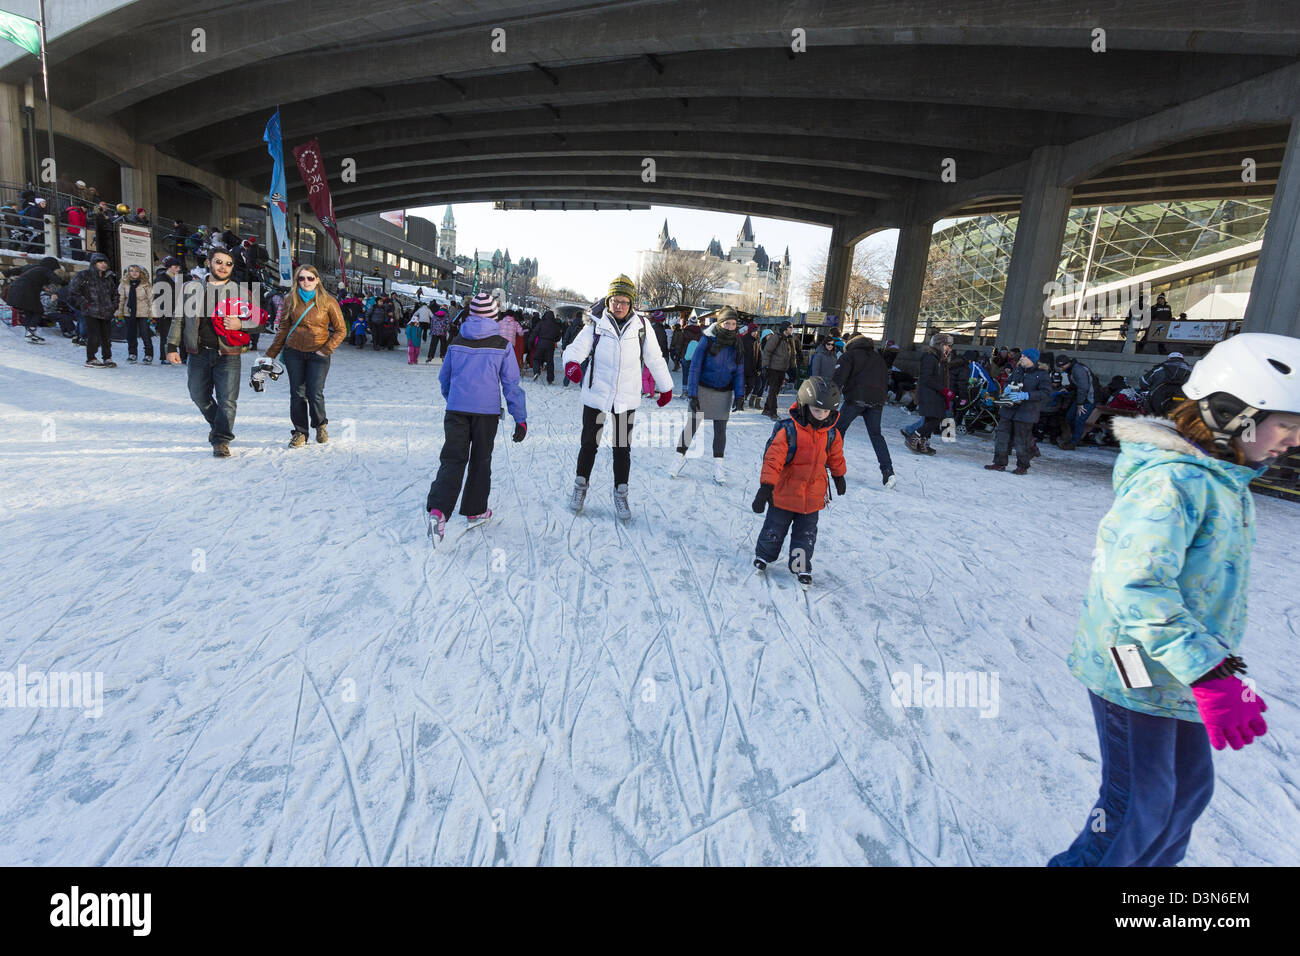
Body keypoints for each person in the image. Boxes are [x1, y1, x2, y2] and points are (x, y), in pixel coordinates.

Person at [1049, 332, 1300, 867]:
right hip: (1133, 664)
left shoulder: (1224, 481)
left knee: (1185, 796)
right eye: (1288, 424)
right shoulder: (1173, 483)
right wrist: (1210, 673)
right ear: (1235, 414)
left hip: (1182, 670)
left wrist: (1219, 673)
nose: (1294, 441)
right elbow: (1135, 587)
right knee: (1140, 805)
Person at [562, 275, 673, 518]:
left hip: (626, 399)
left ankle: (621, 494)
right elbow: (575, 349)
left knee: (622, 448)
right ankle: (580, 487)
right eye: (615, 300)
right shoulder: (595, 324)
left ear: (631, 303)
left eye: (624, 301)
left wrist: (666, 386)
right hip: (596, 395)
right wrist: (571, 364)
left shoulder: (642, 327)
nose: (619, 306)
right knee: (589, 444)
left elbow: (655, 358)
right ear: (609, 300)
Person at [425, 292, 527, 542]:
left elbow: (445, 379)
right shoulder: (502, 345)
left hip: (457, 410)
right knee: (480, 460)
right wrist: (520, 418)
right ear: (494, 315)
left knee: (452, 459)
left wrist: (454, 400)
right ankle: (475, 510)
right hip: (486, 414)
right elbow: (511, 385)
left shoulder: (457, 341)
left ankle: (438, 511)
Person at [165, 248, 266, 457]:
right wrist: (172, 346)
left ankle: (221, 439)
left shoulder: (242, 292)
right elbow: (179, 319)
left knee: (228, 400)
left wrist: (241, 323)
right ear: (209, 262)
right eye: (219, 262)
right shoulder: (190, 289)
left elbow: (259, 322)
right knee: (198, 395)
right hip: (198, 352)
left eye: (228, 264)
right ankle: (219, 425)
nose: (223, 267)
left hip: (228, 354)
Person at [751, 376, 847, 588]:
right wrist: (766, 488)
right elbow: (773, 460)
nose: (821, 416)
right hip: (784, 494)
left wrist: (839, 476)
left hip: (812, 498)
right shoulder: (789, 430)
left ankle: (800, 565)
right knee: (774, 530)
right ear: (804, 405)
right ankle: (764, 556)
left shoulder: (831, 433)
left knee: (806, 536)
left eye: (825, 412)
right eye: (816, 410)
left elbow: (836, 457)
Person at [264, 265, 347, 448]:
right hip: (294, 352)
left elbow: (341, 330)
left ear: (317, 280)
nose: (306, 282)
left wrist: (326, 349)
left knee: (314, 392)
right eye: (302, 278)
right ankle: (300, 432)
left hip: (319, 352)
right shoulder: (290, 299)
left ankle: (320, 424)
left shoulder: (328, 301)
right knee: (297, 393)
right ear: (297, 280)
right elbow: (283, 329)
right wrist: (270, 354)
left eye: (310, 278)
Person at [669, 306, 745, 483]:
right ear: (720, 323)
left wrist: (740, 395)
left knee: (720, 431)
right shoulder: (708, 339)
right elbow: (695, 367)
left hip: (724, 392)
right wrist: (693, 394)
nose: (730, 327)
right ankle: (678, 460)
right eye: (727, 323)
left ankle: (718, 467)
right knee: (692, 426)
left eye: (733, 324)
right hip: (703, 389)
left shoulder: (737, 344)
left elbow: (739, 372)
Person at [833, 334, 895, 488]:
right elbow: (884, 379)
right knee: (876, 435)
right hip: (876, 400)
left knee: (838, 429)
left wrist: (830, 397)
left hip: (856, 398)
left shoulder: (849, 355)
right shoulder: (878, 358)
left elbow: (839, 377)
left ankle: (831, 462)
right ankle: (888, 471)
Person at [984, 348, 1050, 475]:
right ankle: (999, 463)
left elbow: (1046, 393)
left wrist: (1026, 395)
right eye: (1022, 356)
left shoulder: (1041, 374)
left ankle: (1022, 466)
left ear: (1032, 360)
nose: (1021, 358)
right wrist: (1007, 388)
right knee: (1002, 437)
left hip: (1026, 412)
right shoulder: (1018, 370)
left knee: (1022, 440)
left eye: (1025, 357)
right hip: (1009, 409)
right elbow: (1008, 381)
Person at [901, 332, 953, 454]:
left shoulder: (940, 360)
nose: (949, 348)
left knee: (931, 420)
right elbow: (927, 378)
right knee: (935, 419)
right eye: (947, 345)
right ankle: (913, 435)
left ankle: (922, 442)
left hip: (936, 394)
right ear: (940, 344)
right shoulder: (930, 358)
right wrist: (944, 390)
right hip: (929, 394)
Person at [70, 253, 119, 368]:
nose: (103, 264)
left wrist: (113, 306)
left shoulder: (108, 278)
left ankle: (107, 358)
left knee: (106, 337)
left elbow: (115, 294)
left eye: (105, 262)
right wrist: (85, 304)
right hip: (91, 311)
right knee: (93, 336)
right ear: (94, 263)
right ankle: (91, 358)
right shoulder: (84, 275)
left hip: (106, 312)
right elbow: (73, 291)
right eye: (100, 262)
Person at [3, 256, 62, 345]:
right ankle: (30, 334)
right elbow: (58, 280)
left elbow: (15, 270)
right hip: (26, 293)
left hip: (15, 291)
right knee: (38, 311)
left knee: (29, 312)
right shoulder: (45, 270)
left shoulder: (32, 267)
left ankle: (29, 334)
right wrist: (65, 284)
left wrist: (3, 273)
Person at [1056, 353, 1097, 449]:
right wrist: (1068, 389)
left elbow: (1083, 387)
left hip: (1089, 398)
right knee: (1069, 418)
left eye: (1062, 366)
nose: (1060, 369)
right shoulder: (1072, 369)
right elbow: (1076, 384)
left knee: (1079, 419)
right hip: (1082, 398)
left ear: (1067, 363)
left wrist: (1080, 404)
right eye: (1059, 367)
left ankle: (1074, 442)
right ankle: (1076, 438)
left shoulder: (1078, 369)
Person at [760, 320, 800, 419]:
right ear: (785, 328)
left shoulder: (790, 339)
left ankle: (766, 409)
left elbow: (793, 355)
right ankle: (773, 412)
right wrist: (765, 366)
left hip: (782, 369)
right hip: (773, 368)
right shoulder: (776, 337)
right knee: (773, 390)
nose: (792, 329)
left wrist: (793, 367)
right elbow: (767, 351)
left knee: (776, 390)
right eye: (790, 327)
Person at [116, 264, 155, 364]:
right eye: (132, 271)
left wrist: (152, 314)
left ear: (141, 273)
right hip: (129, 312)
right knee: (131, 334)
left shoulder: (146, 284)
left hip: (143, 312)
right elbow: (121, 299)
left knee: (145, 334)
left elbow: (151, 300)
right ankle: (132, 353)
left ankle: (148, 354)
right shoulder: (124, 284)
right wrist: (118, 313)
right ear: (128, 272)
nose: (134, 273)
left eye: (137, 271)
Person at [530, 308, 562, 383]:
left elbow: (534, 333)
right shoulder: (556, 325)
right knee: (550, 362)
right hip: (550, 345)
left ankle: (536, 372)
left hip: (540, 343)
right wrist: (553, 340)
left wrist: (530, 342)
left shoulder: (541, 323)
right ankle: (550, 379)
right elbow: (558, 337)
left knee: (536, 359)